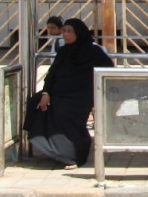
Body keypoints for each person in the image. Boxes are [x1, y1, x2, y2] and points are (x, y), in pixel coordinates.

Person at [23, 18, 114, 168]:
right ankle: (54, 149)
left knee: (64, 112)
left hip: (82, 96)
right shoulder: (64, 51)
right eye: (64, 31)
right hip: (59, 93)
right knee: (36, 102)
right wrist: (46, 93)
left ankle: (74, 156)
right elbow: (52, 74)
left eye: (69, 31)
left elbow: (108, 71)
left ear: (79, 33)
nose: (65, 34)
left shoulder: (94, 52)